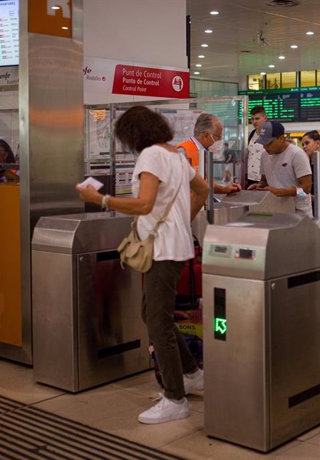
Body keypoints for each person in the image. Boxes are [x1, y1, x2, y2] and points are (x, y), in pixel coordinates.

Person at [76, 106, 208, 425]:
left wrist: (101, 200)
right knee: (151, 314)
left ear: (132, 134)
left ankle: (176, 398)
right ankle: (192, 373)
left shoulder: (150, 155)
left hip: (161, 249)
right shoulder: (175, 154)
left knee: (157, 321)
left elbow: (144, 204)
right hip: (176, 245)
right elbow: (202, 190)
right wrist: (181, 220)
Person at [248, 121, 313, 217]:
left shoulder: (296, 154)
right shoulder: (264, 156)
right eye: (263, 143)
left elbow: (306, 189)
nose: (265, 147)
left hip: (299, 214)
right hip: (275, 211)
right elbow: (264, 180)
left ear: (281, 138)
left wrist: (280, 192)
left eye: (269, 143)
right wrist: (259, 186)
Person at [177, 113, 241, 194]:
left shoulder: (204, 153)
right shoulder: (183, 152)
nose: (220, 141)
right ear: (206, 135)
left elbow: (207, 184)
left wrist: (224, 189)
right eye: (217, 137)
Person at [246, 105, 268, 186]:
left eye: (257, 118)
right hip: (250, 178)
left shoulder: (271, 134)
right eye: (252, 119)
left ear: (265, 118)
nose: (254, 121)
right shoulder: (251, 135)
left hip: (265, 179)